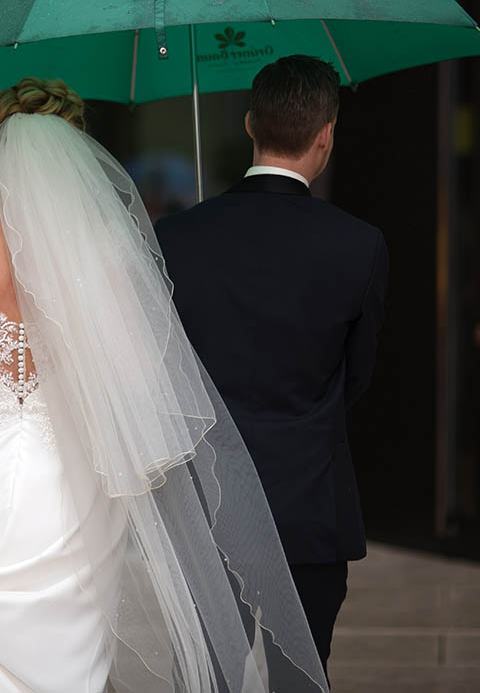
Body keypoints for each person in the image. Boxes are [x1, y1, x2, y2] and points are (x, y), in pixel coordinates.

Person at [0, 78, 328, 692]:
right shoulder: (105, 248)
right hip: (71, 480)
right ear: (75, 154)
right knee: (61, 649)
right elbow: (140, 377)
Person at [155, 55, 389, 683]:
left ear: (252, 122)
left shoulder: (177, 237)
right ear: (326, 135)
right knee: (299, 679)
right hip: (309, 504)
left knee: (204, 677)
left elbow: (165, 371)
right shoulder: (358, 244)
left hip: (208, 504)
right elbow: (357, 376)